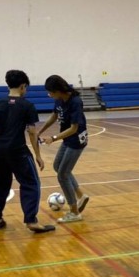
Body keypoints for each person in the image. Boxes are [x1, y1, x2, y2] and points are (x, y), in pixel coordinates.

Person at [0, 70, 54, 233]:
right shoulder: (27, 105)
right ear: (23, 86)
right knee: (31, 183)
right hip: (18, 151)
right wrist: (37, 155)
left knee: (1, 185)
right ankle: (31, 221)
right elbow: (31, 132)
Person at [36, 75, 91, 223]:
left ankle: (74, 212)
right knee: (57, 166)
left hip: (77, 140)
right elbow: (54, 116)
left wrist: (53, 138)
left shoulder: (75, 102)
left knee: (62, 175)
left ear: (58, 90)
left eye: (51, 92)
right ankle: (80, 196)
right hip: (67, 139)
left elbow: (74, 129)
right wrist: (40, 131)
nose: (50, 95)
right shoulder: (59, 100)